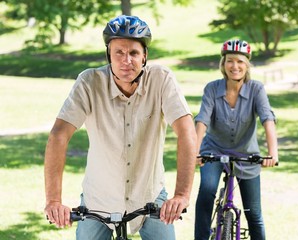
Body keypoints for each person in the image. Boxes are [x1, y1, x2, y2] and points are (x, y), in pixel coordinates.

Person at [44, 15, 197, 240]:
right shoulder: (89, 83)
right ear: (109, 55)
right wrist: (54, 201)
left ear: (145, 56)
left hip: (150, 196)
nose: (127, 60)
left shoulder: (162, 80)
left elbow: (186, 132)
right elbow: (58, 136)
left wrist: (181, 195)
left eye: (134, 53)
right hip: (99, 201)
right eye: (119, 52)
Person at [194, 39, 278, 240]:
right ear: (223, 64)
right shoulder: (212, 89)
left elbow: (268, 118)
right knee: (206, 194)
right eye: (230, 61)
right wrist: (194, 152)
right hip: (213, 152)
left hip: (246, 155)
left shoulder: (256, 89)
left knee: (253, 213)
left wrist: (272, 153)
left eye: (240, 61)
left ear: (247, 65)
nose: (235, 66)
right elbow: (202, 121)